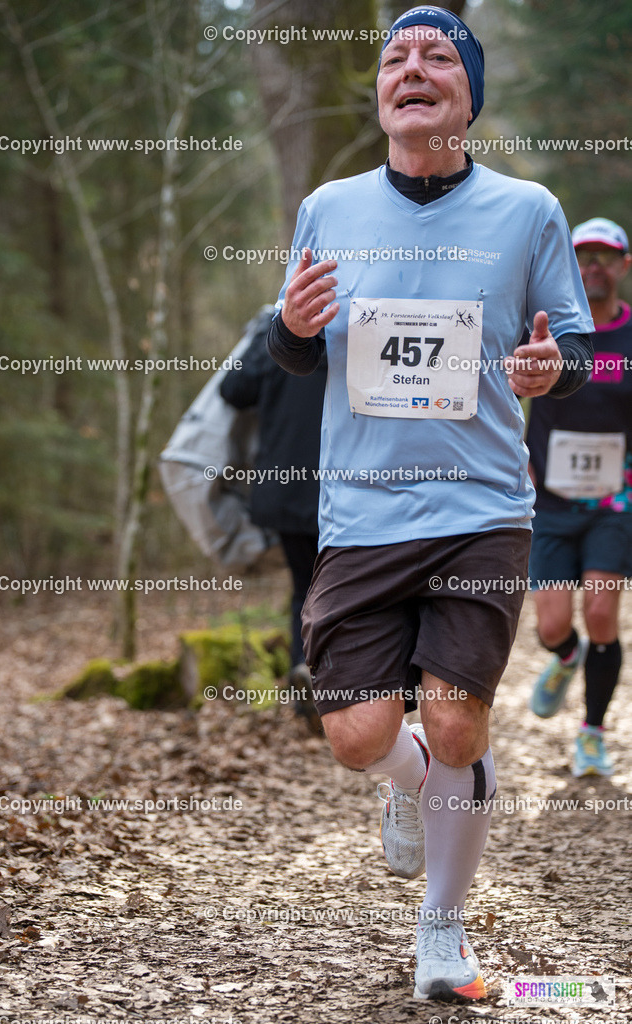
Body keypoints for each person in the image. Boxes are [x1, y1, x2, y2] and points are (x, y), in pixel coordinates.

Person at [267, 5, 593, 1003]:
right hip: (362, 512)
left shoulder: (526, 209)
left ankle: (441, 938)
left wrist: (551, 367)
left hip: (481, 504)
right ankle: (415, 790)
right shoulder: (326, 206)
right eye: (393, 55)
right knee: (360, 737)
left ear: (466, 94)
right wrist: (287, 322)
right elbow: (292, 349)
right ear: (380, 94)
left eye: (436, 56)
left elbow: (572, 348)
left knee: (456, 724)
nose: (410, 67)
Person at [526, 217, 632, 777]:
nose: (593, 266)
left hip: (614, 505)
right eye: (582, 256)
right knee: (549, 625)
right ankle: (568, 658)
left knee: (600, 612)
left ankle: (591, 733)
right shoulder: (549, 331)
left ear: (622, 266)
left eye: (604, 257)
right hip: (551, 502)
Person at [220, 308, 327, 732]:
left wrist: (262, 335)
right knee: (348, 587)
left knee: (305, 588)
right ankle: (334, 683)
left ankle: (305, 670)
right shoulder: (361, 324)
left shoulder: (275, 331)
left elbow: (233, 388)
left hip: (285, 488)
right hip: (349, 487)